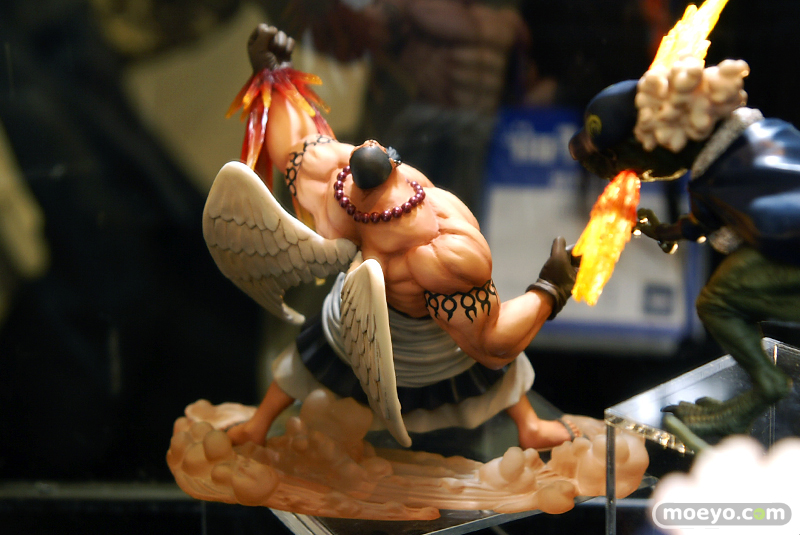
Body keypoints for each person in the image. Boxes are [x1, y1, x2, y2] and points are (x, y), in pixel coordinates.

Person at [222, 26, 580, 450]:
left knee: (309, 359)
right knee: (313, 358)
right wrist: (548, 290)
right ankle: (259, 425)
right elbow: (491, 341)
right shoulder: (438, 250)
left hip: (411, 316)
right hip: (385, 320)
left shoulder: (340, 191)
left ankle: (529, 426)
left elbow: (295, 147)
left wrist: (274, 74)